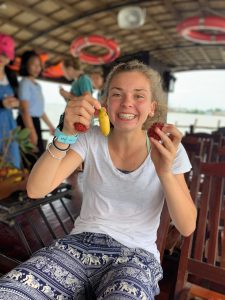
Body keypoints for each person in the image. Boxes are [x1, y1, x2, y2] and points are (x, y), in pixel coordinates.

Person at [0, 60, 197, 299]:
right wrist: (65, 135)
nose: (127, 103)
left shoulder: (167, 148)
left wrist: (164, 171)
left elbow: (186, 226)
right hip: (78, 247)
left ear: (152, 108)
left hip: (135, 257)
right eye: (117, 94)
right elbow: (36, 189)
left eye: (139, 96)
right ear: (104, 104)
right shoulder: (90, 139)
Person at [17, 50, 55, 168]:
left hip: (35, 121)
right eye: (33, 64)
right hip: (26, 122)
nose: (37, 67)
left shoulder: (37, 85)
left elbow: (40, 110)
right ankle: (27, 185)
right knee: (31, 158)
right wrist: (31, 131)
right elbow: (24, 109)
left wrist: (50, 126)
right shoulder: (25, 82)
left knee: (37, 158)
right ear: (25, 65)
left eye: (39, 65)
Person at [0, 33, 21, 169]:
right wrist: (2, 103)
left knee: (11, 158)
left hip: (8, 123)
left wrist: (16, 103)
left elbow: (18, 99)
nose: (3, 57)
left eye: (6, 54)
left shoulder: (11, 76)